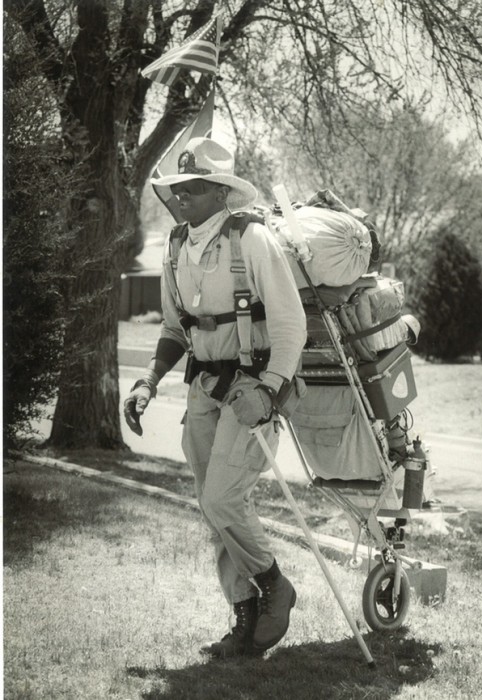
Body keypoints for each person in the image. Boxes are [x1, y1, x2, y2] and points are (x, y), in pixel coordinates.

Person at [124, 137, 307, 659]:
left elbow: (291, 325)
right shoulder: (174, 245)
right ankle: (243, 616)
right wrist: (148, 380)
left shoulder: (252, 239)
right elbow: (173, 328)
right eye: (178, 187)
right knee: (213, 508)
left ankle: (275, 587)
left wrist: (270, 392)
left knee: (221, 499)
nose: (182, 195)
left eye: (195, 187)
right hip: (203, 389)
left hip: (251, 389)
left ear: (222, 192)